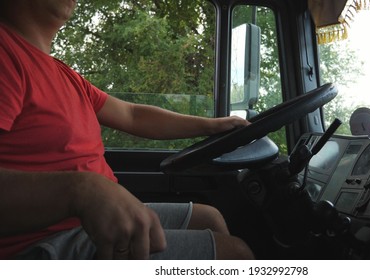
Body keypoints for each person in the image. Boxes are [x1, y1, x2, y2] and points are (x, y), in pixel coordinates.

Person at [0, 0, 254, 260]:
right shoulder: (5, 53)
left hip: (85, 221)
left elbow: (132, 115)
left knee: (208, 218)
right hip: (40, 241)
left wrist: (212, 125)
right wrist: (79, 189)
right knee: (235, 255)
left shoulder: (62, 73)